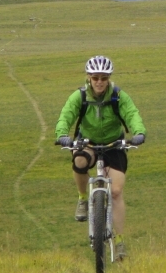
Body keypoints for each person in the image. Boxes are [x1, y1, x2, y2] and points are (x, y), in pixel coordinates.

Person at [54, 55, 146, 260]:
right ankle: (83, 198)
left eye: (104, 78)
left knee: (116, 191)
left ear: (109, 78)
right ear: (88, 77)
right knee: (79, 160)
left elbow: (132, 114)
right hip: (88, 143)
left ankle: (120, 241)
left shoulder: (118, 96)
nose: (99, 82)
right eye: (95, 77)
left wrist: (139, 133)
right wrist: (62, 136)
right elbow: (66, 115)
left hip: (114, 144)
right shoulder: (79, 96)